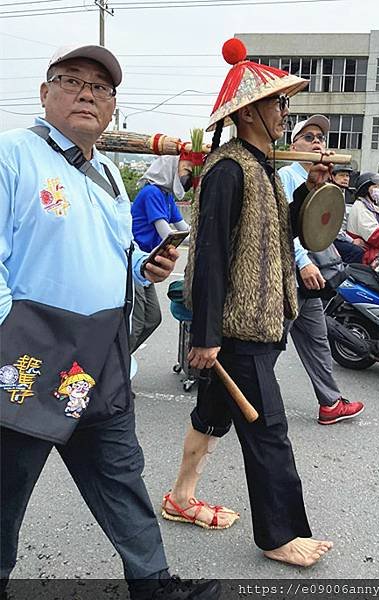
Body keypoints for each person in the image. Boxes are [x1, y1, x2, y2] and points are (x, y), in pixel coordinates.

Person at [0, 43, 219, 600]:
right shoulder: (13, 157)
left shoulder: (110, 176)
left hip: (100, 355)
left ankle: (155, 586)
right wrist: (12, 341)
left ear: (112, 106)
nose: (87, 94)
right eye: (71, 81)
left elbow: (113, 256)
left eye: (100, 88)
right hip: (29, 358)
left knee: (121, 477)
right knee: (4, 492)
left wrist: (145, 268)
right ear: (45, 92)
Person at [161, 38, 333, 567]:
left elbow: (282, 234)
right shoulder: (229, 169)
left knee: (213, 413)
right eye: (278, 103)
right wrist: (206, 336)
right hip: (238, 329)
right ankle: (278, 536)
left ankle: (181, 498)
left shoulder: (262, 166)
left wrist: (311, 187)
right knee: (269, 433)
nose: (285, 113)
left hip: (259, 318)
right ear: (251, 110)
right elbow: (208, 256)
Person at [278, 116, 365, 424]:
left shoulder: (321, 180)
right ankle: (236, 396)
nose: (317, 142)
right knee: (268, 346)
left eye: (321, 138)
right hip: (290, 275)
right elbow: (284, 227)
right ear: (294, 145)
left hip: (309, 278)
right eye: (309, 136)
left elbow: (322, 228)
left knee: (317, 341)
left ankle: (330, 402)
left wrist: (322, 181)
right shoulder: (285, 176)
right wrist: (303, 263)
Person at [130, 155, 191, 354]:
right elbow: (167, 233)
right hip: (134, 262)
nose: (185, 176)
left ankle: (121, 360)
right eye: (182, 170)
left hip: (148, 264)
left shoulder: (167, 196)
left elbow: (185, 230)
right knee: (137, 323)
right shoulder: (151, 193)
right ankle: (115, 370)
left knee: (152, 319)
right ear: (169, 170)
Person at [347, 171, 379, 265]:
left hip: (374, 252)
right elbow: (376, 236)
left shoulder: (371, 206)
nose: (378, 189)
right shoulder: (361, 207)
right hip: (368, 255)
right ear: (365, 189)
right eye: (375, 186)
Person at [330, 163, 365, 264]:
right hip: (330, 239)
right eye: (341, 175)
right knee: (357, 252)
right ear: (332, 176)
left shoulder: (342, 192)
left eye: (347, 176)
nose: (345, 178)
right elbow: (333, 228)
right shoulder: (331, 194)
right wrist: (352, 241)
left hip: (339, 235)